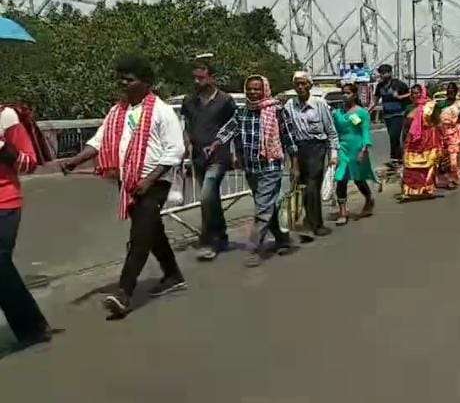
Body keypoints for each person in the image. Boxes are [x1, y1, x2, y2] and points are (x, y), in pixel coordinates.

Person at [61, 55, 187, 318]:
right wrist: (74, 161)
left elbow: (176, 150)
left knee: (139, 237)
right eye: (122, 78)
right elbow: (99, 140)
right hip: (129, 182)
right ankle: (173, 274)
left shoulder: (162, 111)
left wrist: (149, 179)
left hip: (154, 183)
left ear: (146, 82)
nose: (123, 83)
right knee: (153, 231)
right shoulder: (117, 111)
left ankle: (123, 293)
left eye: (129, 79)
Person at [206, 75, 299, 269]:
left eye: (257, 89)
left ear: (264, 89)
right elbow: (229, 129)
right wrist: (216, 143)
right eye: (249, 89)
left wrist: (295, 165)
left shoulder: (277, 111)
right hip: (251, 168)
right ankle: (282, 239)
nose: (253, 92)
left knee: (262, 208)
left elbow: (289, 138)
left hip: (271, 166)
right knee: (266, 205)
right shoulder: (242, 113)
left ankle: (254, 248)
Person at [0, 102, 55, 346]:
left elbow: (28, 162)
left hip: (4, 202)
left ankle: (33, 328)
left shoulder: (6, 116)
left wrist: (1, 147)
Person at [180, 54, 237, 261]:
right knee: (211, 199)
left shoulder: (226, 101)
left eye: (201, 78)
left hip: (219, 157)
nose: (197, 82)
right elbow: (187, 125)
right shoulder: (189, 101)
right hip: (198, 157)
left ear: (212, 78)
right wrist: (186, 143)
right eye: (195, 78)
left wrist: (234, 152)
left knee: (205, 196)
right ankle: (221, 235)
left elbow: (234, 126)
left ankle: (209, 241)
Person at [283, 71, 339, 241]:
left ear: (310, 85)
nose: (300, 87)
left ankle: (317, 224)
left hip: (317, 147)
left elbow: (331, 132)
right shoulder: (289, 106)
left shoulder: (320, 104)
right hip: (298, 148)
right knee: (302, 185)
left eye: (303, 83)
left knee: (313, 185)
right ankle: (308, 218)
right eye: (297, 84)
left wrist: (333, 154)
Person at [331, 82, 376, 225]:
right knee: (341, 178)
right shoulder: (337, 113)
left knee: (358, 179)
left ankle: (368, 198)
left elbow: (365, 132)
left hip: (357, 149)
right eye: (343, 93)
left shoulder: (361, 113)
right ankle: (343, 211)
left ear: (354, 94)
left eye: (348, 93)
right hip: (342, 149)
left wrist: (364, 150)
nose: (345, 95)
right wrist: (333, 152)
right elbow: (333, 133)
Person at [400, 85, 440, 200]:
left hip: (427, 141)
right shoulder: (409, 108)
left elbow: (437, 124)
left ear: (422, 93)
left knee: (427, 165)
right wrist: (403, 143)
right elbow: (406, 127)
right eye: (412, 93)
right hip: (412, 142)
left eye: (417, 93)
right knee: (410, 166)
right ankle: (410, 190)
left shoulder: (430, 106)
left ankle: (426, 189)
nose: (414, 95)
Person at [372, 64, 410, 167]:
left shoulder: (398, 84)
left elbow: (410, 94)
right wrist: (369, 109)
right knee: (392, 137)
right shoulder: (380, 86)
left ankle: (395, 157)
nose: (383, 75)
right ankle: (397, 158)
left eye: (385, 72)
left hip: (398, 114)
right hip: (387, 115)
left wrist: (399, 97)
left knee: (395, 136)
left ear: (390, 72)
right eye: (381, 73)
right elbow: (375, 99)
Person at [434, 83, 460, 189]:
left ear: (456, 92)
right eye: (449, 90)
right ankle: (444, 179)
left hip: (456, 134)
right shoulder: (440, 105)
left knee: (453, 158)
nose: (451, 92)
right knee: (442, 157)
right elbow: (435, 118)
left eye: (453, 90)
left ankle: (453, 178)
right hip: (441, 133)